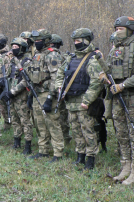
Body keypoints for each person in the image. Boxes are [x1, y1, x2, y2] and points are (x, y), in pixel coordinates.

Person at [100, 16, 134, 185]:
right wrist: (103, 77)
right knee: (121, 133)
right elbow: (107, 68)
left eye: (120, 29)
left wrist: (123, 85)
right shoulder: (114, 49)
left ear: (129, 30)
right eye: (115, 29)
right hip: (116, 97)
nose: (117, 32)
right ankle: (125, 167)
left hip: (133, 97)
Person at [11, 29, 64, 162]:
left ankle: (58, 153)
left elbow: (56, 78)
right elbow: (32, 76)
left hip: (47, 94)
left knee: (52, 124)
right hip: (36, 93)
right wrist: (30, 95)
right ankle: (43, 150)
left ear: (46, 41)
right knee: (39, 124)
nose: (37, 43)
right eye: (36, 41)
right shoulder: (37, 55)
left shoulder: (52, 55)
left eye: (40, 41)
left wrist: (51, 97)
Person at [55, 28, 104, 170]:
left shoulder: (92, 59)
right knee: (76, 130)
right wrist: (59, 87)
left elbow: (96, 82)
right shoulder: (70, 58)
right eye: (74, 41)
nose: (76, 43)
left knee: (88, 131)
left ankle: (90, 158)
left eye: (78, 41)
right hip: (71, 101)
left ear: (86, 41)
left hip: (84, 102)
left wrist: (87, 100)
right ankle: (80, 155)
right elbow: (60, 74)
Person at [1, 37, 33, 154]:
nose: (13, 49)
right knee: (14, 119)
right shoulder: (12, 61)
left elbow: (26, 81)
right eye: (12, 47)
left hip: (22, 96)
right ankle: (17, 142)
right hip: (11, 95)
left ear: (22, 48)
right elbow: (9, 76)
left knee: (25, 121)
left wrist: (13, 91)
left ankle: (28, 145)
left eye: (16, 47)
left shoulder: (27, 61)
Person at [51, 34, 72, 145]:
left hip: (62, 90)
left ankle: (66, 138)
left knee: (62, 116)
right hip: (58, 88)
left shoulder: (62, 57)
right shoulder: (63, 56)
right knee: (60, 116)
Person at [0, 33, 12, 132]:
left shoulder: (7, 55)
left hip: (5, 85)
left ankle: (8, 126)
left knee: (5, 107)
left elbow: (9, 70)